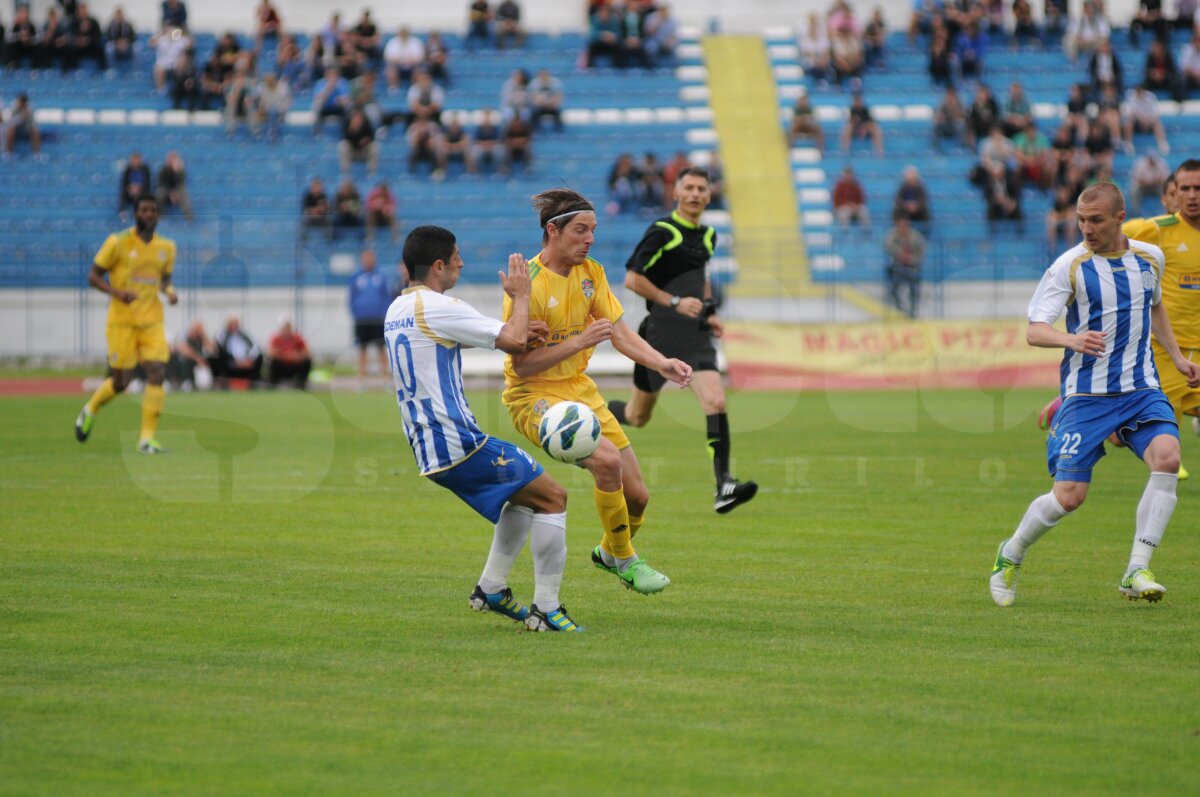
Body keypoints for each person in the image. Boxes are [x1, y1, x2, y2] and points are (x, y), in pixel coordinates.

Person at [990, 182, 1200, 607]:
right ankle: (1010, 554)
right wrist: (1071, 340)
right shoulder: (1069, 266)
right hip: (1086, 396)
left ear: (1120, 218)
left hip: (1141, 387)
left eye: (1096, 220)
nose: (1086, 228)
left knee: (1168, 458)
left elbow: (1154, 304)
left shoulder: (1149, 257)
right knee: (1069, 497)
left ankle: (1136, 568)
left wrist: (1176, 357)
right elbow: (1035, 329)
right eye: (1081, 220)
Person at [501, 188, 693, 596]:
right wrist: (579, 341)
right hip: (534, 396)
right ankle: (627, 562)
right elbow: (522, 365)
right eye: (580, 230)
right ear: (553, 230)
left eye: (593, 230)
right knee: (607, 463)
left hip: (580, 390)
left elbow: (619, 333)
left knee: (638, 497)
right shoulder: (528, 285)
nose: (589, 238)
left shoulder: (592, 273)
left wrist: (662, 363)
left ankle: (610, 552)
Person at [387, 225, 580, 632]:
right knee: (553, 497)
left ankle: (491, 588)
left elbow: (496, 336)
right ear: (438, 265)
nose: (461, 262)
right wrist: (521, 297)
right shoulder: (439, 306)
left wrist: (522, 331)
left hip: (429, 446)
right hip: (458, 442)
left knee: (523, 498)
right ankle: (546, 610)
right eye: (456, 256)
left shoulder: (398, 310)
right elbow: (510, 340)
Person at [607, 168, 758, 512]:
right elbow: (632, 279)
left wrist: (710, 311)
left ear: (708, 195)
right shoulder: (663, 232)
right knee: (637, 415)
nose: (694, 193)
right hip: (658, 336)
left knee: (716, 403)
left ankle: (724, 485)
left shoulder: (707, 235)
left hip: (696, 336)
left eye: (700, 189)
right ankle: (593, 413)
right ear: (676, 193)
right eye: (687, 187)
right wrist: (672, 301)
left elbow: (700, 279)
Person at [75, 196, 178, 454]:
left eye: (153, 210)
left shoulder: (167, 247)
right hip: (122, 322)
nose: (149, 214)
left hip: (152, 320)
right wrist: (117, 293)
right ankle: (90, 409)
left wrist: (170, 291)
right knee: (121, 382)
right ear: (135, 213)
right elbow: (93, 275)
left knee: (157, 372)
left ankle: (146, 439)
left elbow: (163, 280)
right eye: (144, 210)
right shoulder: (117, 242)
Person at [348, 248, 392, 383]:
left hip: (378, 319)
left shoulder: (381, 276)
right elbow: (351, 297)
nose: (368, 260)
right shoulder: (356, 276)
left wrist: (384, 313)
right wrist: (356, 312)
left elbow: (387, 296)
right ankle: (362, 379)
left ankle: (385, 378)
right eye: (366, 257)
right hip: (362, 319)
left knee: (381, 348)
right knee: (362, 349)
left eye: (371, 257)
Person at [884, 216, 925, 318]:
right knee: (894, 289)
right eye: (900, 225)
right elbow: (887, 245)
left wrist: (913, 259)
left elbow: (922, 249)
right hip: (898, 267)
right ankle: (900, 308)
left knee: (913, 287)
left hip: (912, 267)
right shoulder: (894, 235)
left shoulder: (914, 235)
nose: (902, 228)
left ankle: (912, 311)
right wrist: (900, 254)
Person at [167, 319, 218, 390]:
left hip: (199, 363)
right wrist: (197, 358)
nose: (196, 332)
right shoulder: (184, 335)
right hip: (187, 361)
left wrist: (203, 336)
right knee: (184, 360)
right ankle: (186, 381)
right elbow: (183, 349)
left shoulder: (201, 337)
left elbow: (212, 349)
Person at [215, 315, 263, 386]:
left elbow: (255, 347)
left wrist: (249, 359)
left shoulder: (244, 335)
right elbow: (222, 350)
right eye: (232, 324)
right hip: (231, 362)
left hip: (246, 361)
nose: (234, 326)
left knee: (260, 356)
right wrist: (236, 361)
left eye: (236, 323)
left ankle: (254, 383)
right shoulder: (222, 335)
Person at [267, 317, 312, 389]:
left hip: (294, 366)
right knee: (273, 362)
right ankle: (272, 384)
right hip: (281, 366)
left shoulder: (298, 338)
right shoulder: (276, 339)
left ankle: (301, 383)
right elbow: (271, 353)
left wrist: (297, 356)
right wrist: (286, 356)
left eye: (288, 327)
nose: (286, 330)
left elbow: (307, 352)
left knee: (307, 361)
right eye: (284, 327)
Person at [155, 151, 193, 221]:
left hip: (177, 190)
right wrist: (171, 193)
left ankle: (189, 218)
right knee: (159, 193)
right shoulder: (162, 169)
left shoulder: (180, 171)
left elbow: (181, 183)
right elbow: (161, 184)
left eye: (173, 160)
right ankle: (160, 216)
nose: (171, 161)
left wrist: (177, 171)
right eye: (170, 159)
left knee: (184, 193)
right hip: (166, 190)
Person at [2, 94, 42, 158]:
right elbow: (11, 123)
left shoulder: (29, 108)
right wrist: (21, 116)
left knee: (35, 132)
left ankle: (37, 153)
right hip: (16, 127)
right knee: (10, 131)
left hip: (25, 127)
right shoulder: (13, 107)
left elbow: (32, 123)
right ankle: (8, 152)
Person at [118, 152, 152, 220]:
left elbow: (148, 184)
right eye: (134, 160)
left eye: (137, 160)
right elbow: (124, 183)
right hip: (130, 192)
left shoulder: (145, 169)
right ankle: (122, 212)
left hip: (142, 192)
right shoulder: (127, 170)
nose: (136, 162)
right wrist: (130, 188)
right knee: (123, 194)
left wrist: (139, 188)